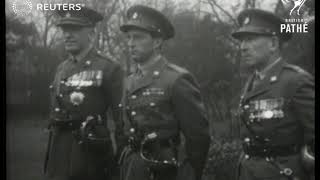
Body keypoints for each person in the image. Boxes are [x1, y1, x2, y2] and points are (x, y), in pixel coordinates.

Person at [118, 5, 210, 180]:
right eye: (128, 38)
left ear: (157, 41)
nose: (131, 44)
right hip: (132, 167)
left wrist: (189, 174)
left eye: (137, 37)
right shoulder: (129, 81)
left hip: (163, 169)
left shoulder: (176, 79)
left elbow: (198, 137)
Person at [231, 9, 314, 180]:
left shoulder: (296, 81)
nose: (243, 47)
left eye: (250, 39)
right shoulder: (252, 81)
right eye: (242, 41)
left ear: (274, 44)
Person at [44, 7, 124, 180]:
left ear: (91, 33)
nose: (67, 35)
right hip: (58, 155)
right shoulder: (61, 68)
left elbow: (121, 121)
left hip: (91, 155)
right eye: (65, 30)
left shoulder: (109, 68)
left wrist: (121, 160)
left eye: (74, 29)